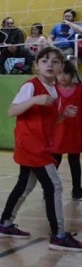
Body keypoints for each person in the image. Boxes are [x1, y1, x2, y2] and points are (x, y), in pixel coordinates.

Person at [0, 47, 82, 251]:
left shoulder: (54, 90)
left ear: (61, 67)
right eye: (44, 61)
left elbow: (47, 120)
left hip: (39, 145)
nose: (49, 64)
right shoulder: (31, 86)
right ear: (36, 65)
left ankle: (4, 224)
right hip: (33, 146)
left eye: (54, 62)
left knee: (24, 186)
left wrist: (63, 115)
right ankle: (59, 236)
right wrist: (34, 99)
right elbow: (11, 111)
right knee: (54, 186)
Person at [53, 60, 82, 201]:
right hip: (58, 130)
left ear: (72, 74)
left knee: (74, 160)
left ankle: (77, 190)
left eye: (66, 73)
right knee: (55, 160)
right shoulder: (52, 90)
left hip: (75, 131)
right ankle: (49, 188)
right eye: (59, 73)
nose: (63, 76)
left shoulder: (79, 89)